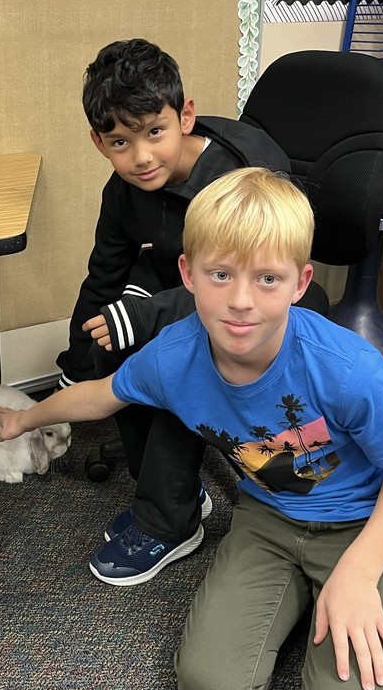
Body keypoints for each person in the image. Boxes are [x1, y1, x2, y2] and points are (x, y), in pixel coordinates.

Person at [0, 167, 383, 690]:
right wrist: (24, 419)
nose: (241, 300)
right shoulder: (174, 357)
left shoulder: (345, 367)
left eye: (268, 278)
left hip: (362, 524)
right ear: (188, 274)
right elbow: (98, 396)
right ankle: (311, 595)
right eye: (220, 274)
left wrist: (360, 572)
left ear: (301, 283)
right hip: (268, 519)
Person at [56, 38, 327, 586]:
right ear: (99, 142)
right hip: (182, 282)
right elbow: (104, 274)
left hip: (256, 293)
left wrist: (148, 319)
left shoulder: (239, 176)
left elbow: (244, 283)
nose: (141, 156)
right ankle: (174, 496)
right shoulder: (124, 189)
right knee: (113, 343)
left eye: (154, 132)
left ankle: (169, 521)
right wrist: (78, 360)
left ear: (185, 117)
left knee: (179, 359)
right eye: (120, 142)